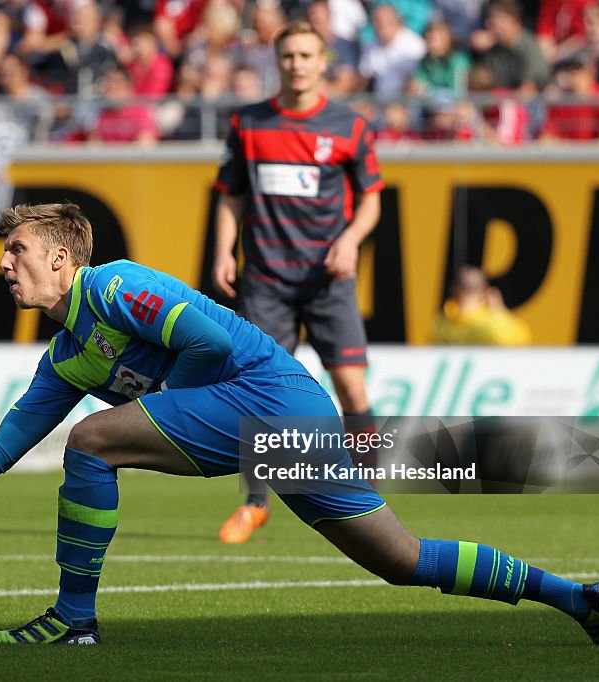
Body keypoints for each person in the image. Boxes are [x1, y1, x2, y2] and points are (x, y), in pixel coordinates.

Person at [0, 201, 599, 647]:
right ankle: (576, 597)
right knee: (402, 559)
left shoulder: (112, 288)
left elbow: (217, 341)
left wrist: (178, 409)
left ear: (62, 260)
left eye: (17, 250)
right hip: (283, 418)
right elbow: (5, 446)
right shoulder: (68, 355)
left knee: (92, 441)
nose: (4, 263)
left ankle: (73, 619)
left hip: (267, 397)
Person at [212, 21, 383, 544]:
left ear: (323, 60)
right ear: (277, 60)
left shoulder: (350, 126)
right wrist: (223, 249)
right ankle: (255, 502)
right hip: (267, 281)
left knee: (352, 386)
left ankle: (368, 493)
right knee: (261, 392)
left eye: (306, 55)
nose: (296, 64)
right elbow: (231, 194)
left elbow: (372, 198)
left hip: (328, 281)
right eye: (288, 56)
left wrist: (351, 239)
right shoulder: (249, 122)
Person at [431, 265, 532, 345]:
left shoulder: (441, 323)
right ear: (484, 289)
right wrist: (500, 310)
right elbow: (522, 340)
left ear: (453, 290)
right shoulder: (493, 324)